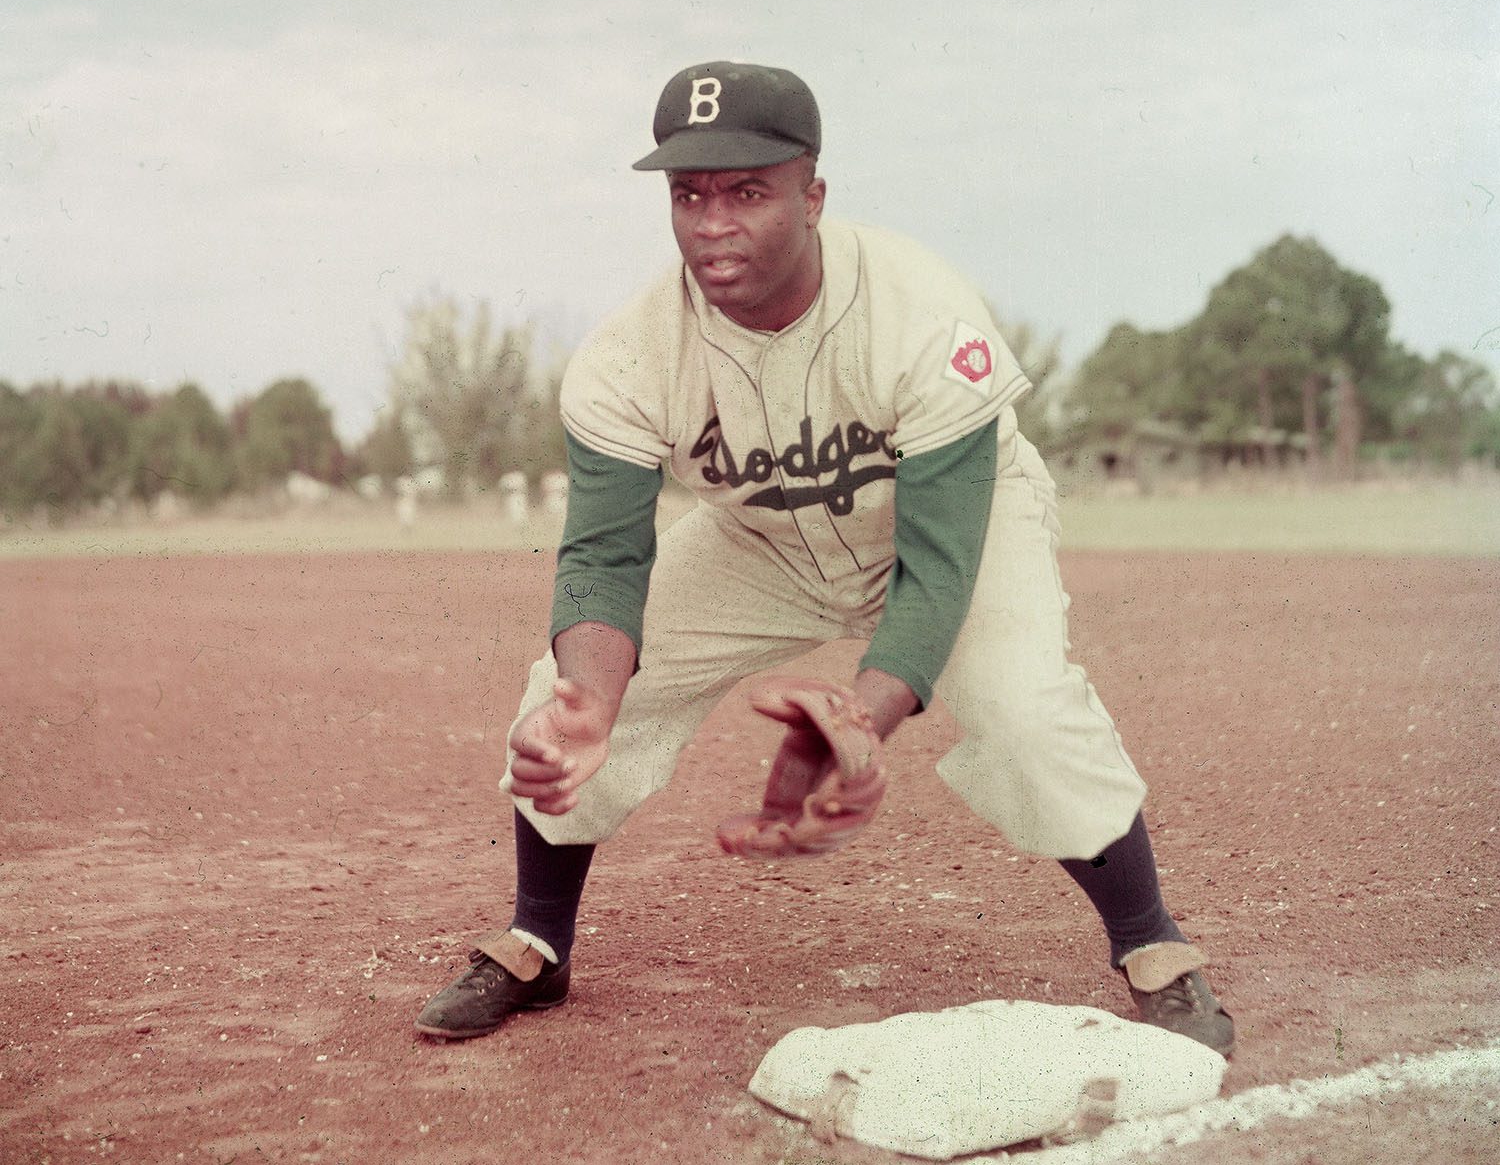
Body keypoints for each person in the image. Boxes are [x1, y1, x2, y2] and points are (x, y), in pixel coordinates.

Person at [414, 61, 1234, 1055]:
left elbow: (935, 568)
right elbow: (600, 555)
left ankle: (1152, 944)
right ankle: (537, 936)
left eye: (748, 191)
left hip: (947, 525)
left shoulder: (921, 309)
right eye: (690, 194)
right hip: (762, 535)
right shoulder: (629, 356)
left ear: (813, 196)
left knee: (1023, 706)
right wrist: (590, 696)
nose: (713, 222)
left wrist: (858, 714)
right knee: (565, 690)